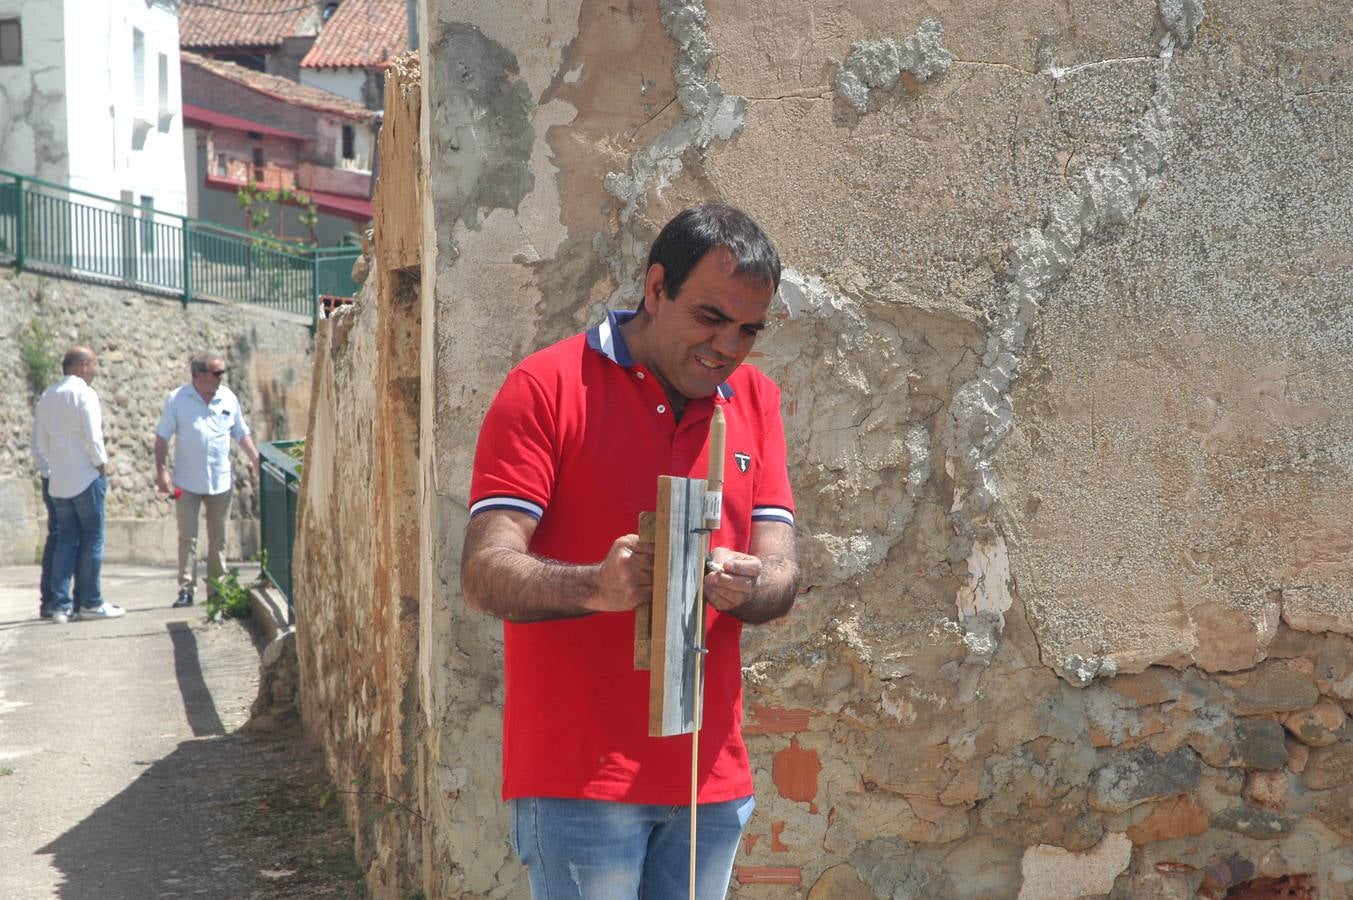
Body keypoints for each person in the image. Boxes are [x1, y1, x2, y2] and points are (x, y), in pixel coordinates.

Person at [461, 204, 802, 899]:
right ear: (654, 289)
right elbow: (483, 571)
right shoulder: (547, 386)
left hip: (710, 779)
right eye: (710, 317)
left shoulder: (756, 401)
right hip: (579, 780)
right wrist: (593, 585)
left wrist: (751, 582)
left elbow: (783, 573)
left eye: (748, 330)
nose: (728, 347)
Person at [153, 353, 260, 608]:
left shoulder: (228, 398)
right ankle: (186, 589)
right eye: (217, 373)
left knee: (218, 540)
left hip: (220, 480)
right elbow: (161, 437)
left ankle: (217, 589)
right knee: (187, 537)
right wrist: (161, 472)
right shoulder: (178, 399)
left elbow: (241, 432)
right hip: (186, 482)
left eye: (223, 372)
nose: (221, 377)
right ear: (198, 375)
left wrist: (256, 459)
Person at [32, 347, 125, 624]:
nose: (95, 369)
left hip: (58, 480)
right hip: (86, 477)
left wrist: (49, 471)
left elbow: (39, 443)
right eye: (94, 364)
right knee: (92, 540)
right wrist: (101, 465)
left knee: (64, 541)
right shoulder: (85, 393)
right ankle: (90, 602)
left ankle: (60, 606)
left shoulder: (48, 396)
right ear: (83, 365)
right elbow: (93, 436)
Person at [30, 414, 58, 619]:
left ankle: (54, 599)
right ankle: (52, 599)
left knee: (59, 535)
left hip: (54, 476)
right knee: (60, 535)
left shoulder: (47, 399)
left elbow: (37, 445)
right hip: (59, 477)